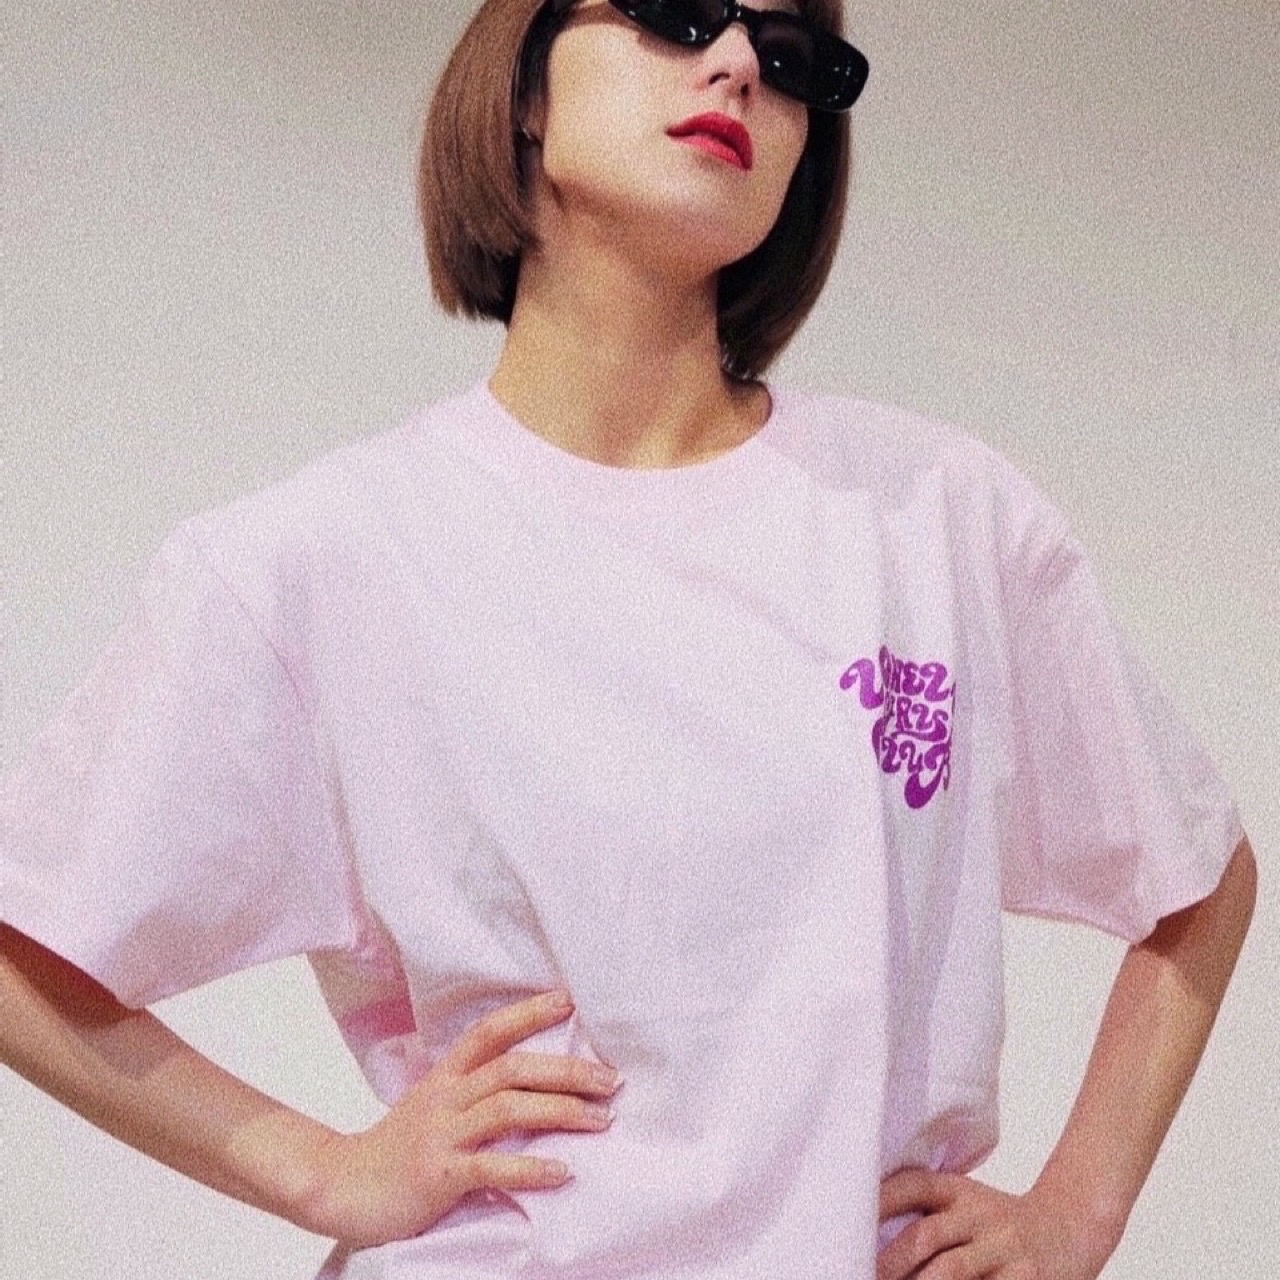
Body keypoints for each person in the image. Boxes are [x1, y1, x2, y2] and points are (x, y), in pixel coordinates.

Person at [0, 2, 1257, 1278]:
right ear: (523, 86)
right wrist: (319, 1167)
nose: (737, 66)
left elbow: (1195, 873)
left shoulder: (932, 518)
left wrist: (1074, 1211)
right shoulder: (324, 559)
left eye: (789, 58)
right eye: (674, 10)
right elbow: (21, 941)